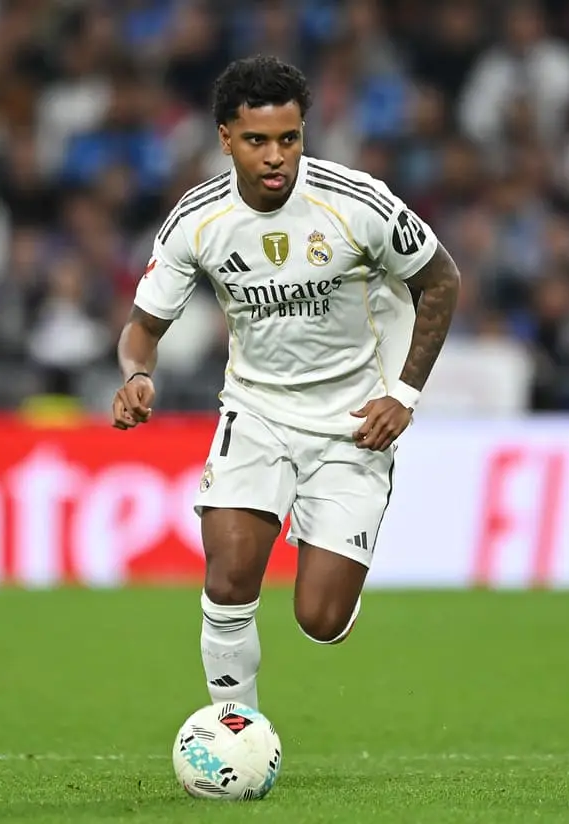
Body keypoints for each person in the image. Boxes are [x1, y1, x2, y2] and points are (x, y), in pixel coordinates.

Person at [111, 56, 460, 710]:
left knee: (320, 620)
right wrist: (137, 375)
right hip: (257, 413)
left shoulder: (357, 203)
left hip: (355, 421)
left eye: (289, 138)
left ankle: (333, 569)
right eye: (257, 140)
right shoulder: (197, 220)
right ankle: (232, 729)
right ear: (225, 138)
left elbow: (441, 280)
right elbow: (142, 326)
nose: (276, 156)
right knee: (229, 577)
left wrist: (404, 395)